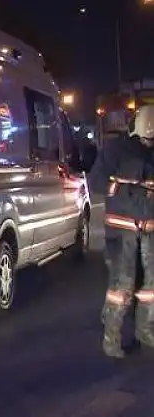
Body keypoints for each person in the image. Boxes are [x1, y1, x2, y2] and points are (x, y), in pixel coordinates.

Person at [89, 104, 154, 358]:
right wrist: (127, 189)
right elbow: (97, 182)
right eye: (147, 139)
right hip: (122, 229)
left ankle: (145, 331)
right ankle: (111, 338)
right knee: (122, 284)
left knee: (150, 285)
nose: (149, 143)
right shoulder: (116, 150)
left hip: (149, 230)